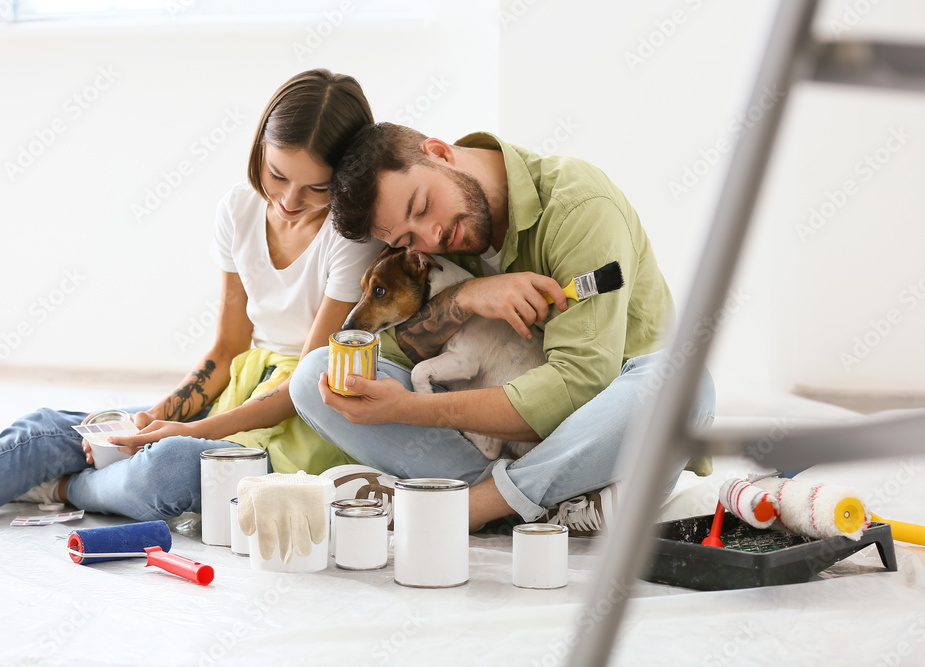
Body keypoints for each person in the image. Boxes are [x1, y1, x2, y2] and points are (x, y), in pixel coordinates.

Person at [0, 69, 383, 522]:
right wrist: (151, 420)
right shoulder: (240, 209)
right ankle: (68, 478)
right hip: (239, 395)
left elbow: (303, 388)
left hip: (298, 425)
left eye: (317, 187)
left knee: (169, 465)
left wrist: (186, 431)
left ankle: (64, 486)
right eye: (277, 175)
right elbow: (227, 348)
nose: (290, 200)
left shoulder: (350, 237)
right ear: (259, 147)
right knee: (50, 429)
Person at [290, 122, 715, 535]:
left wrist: (407, 409)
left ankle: (483, 504)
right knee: (315, 376)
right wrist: (467, 296)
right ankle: (542, 505)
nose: (432, 236)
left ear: (439, 153)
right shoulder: (435, 246)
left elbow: (580, 387)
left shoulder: (578, 205)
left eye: (421, 207)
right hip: (506, 454)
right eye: (407, 240)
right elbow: (402, 352)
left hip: (605, 441)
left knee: (684, 382)